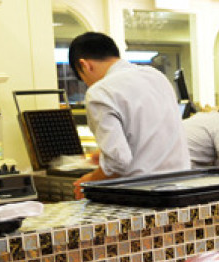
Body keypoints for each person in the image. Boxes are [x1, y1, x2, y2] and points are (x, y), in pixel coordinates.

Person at [68, 32, 190, 199]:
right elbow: (150, 136)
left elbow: (118, 162)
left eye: (83, 78)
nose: (88, 84)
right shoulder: (156, 76)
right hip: (183, 189)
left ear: (84, 65)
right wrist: (104, 155)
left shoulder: (100, 91)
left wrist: (89, 181)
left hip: (142, 197)